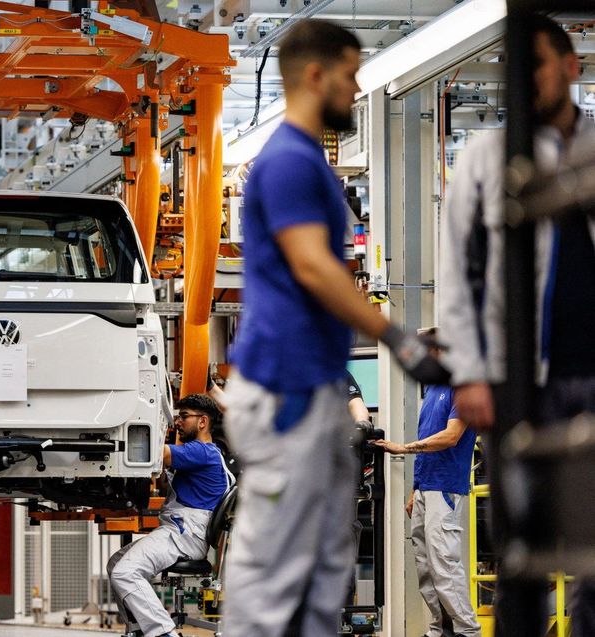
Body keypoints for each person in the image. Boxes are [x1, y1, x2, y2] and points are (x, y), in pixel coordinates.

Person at [222, 19, 448, 637]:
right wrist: (397, 338)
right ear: (316, 75)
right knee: (274, 570)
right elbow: (312, 265)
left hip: (310, 387)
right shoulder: (290, 162)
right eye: (349, 75)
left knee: (323, 566)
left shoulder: (308, 165)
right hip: (284, 388)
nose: (355, 89)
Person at [438, 14, 595, 637]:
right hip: (522, 377)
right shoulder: (483, 157)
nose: (522, 80)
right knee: (521, 550)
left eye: (535, 64)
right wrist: (471, 375)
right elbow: (458, 276)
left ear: (572, 66)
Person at [374, 329, 480, 637]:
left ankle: (467, 631)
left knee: (444, 565)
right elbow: (428, 441)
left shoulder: (462, 387)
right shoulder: (432, 390)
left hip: (445, 489)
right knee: (425, 567)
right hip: (425, 487)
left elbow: (451, 436)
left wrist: (403, 448)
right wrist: (414, 490)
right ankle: (439, 630)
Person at [107, 394, 232, 637]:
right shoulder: (206, 453)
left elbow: (156, 453)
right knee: (115, 564)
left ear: (203, 422)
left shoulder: (201, 452)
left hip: (184, 536)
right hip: (180, 532)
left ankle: (163, 632)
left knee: (126, 572)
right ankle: (139, 629)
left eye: (184, 416)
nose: (178, 422)